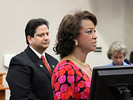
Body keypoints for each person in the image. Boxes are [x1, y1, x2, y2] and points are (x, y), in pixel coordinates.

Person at [6, 18, 58, 100]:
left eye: (47, 34)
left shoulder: (54, 61)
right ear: (29, 39)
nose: (46, 38)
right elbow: (22, 96)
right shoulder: (19, 62)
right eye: (41, 35)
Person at [51, 10, 97, 100]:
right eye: (89, 32)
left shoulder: (86, 67)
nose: (95, 36)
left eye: (94, 31)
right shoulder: (66, 68)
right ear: (74, 37)